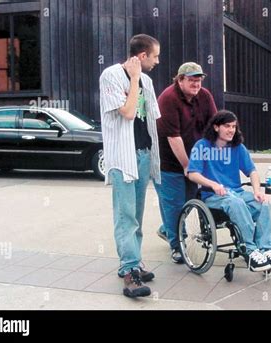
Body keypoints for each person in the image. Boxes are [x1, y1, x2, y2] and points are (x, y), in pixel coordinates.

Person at [99, 34, 161, 298]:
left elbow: (152, 118)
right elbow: (126, 112)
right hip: (123, 157)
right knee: (125, 217)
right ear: (142, 56)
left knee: (136, 215)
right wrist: (134, 79)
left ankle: (134, 260)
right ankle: (129, 271)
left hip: (143, 154)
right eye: (155, 56)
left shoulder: (147, 81)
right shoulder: (111, 76)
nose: (158, 61)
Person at [188, 110, 271, 272]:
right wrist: (213, 184)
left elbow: (252, 171)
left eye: (234, 126)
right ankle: (249, 249)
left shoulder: (237, 147)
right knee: (236, 202)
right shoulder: (202, 146)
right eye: (227, 126)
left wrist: (257, 191)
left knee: (264, 203)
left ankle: (266, 248)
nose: (231, 130)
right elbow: (192, 174)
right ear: (216, 127)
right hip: (213, 196)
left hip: (236, 193)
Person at [154, 62, 217, 263]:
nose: (196, 84)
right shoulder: (168, 99)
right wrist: (187, 166)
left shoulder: (205, 96)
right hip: (168, 163)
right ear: (180, 79)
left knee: (189, 203)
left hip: (194, 160)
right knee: (174, 205)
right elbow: (174, 138)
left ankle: (167, 229)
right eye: (191, 80)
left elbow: (214, 126)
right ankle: (177, 246)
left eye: (198, 80)